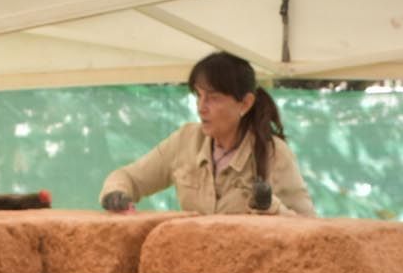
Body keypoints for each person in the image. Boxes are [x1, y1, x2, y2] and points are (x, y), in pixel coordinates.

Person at [100, 52, 315, 217]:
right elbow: (128, 177)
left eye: (213, 97)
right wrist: (116, 193)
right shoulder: (185, 140)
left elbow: (310, 229)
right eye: (198, 96)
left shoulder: (274, 153)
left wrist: (271, 207)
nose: (201, 107)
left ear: (245, 103)